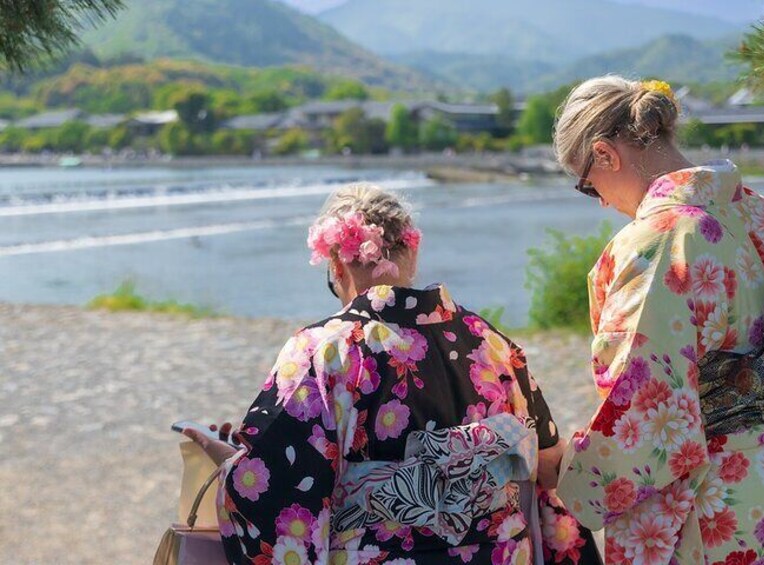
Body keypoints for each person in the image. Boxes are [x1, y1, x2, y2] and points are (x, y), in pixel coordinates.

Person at [185, 183, 600, 564]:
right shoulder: (492, 344)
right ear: (412, 255)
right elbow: (549, 465)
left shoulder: (324, 351)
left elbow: (273, 489)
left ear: (336, 265)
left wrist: (231, 466)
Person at [552, 76, 764, 564]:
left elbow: (646, 409)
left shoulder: (659, 241)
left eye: (586, 185)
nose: (600, 201)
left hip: (718, 496)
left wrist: (572, 474)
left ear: (604, 154)